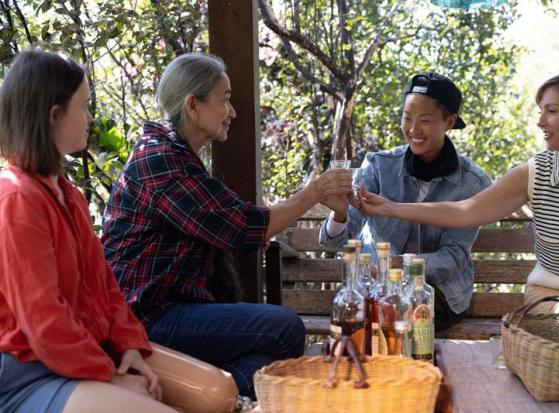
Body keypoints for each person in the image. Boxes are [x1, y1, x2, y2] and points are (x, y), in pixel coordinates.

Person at [0, 49, 240, 413]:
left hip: (89, 348)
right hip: (29, 370)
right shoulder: (17, 199)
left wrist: (130, 347)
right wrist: (110, 375)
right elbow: (45, 324)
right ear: (54, 116)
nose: (90, 117)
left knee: (218, 393)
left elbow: (106, 289)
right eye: (83, 106)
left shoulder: (68, 196)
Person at [101, 52, 352, 399]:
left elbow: (237, 222)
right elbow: (247, 228)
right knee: (284, 327)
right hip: (146, 319)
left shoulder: (176, 157)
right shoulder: (161, 162)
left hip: (176, 311)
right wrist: (316, 192)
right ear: (193, 105)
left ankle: (220, 399)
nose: (232, 112)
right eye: (226, 100)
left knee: (262, 363)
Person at [358, 70, 559, 341]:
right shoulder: (537, 173)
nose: (540, 121)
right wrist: (391, 207)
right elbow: (466, 210)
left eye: (551, 111)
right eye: (540, 111)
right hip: (548, 296)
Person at [320, 72, 492, 331]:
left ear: (449, 122)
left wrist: (401, 264)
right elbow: (335, 242)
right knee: (375, 310)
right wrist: (340, 215)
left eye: (425, 120)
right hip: (376, 290)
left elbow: (453, 258)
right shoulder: (378, 166)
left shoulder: (472, 183)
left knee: (396, 312)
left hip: (435, 292)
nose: (413, 130)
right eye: (407, 118)